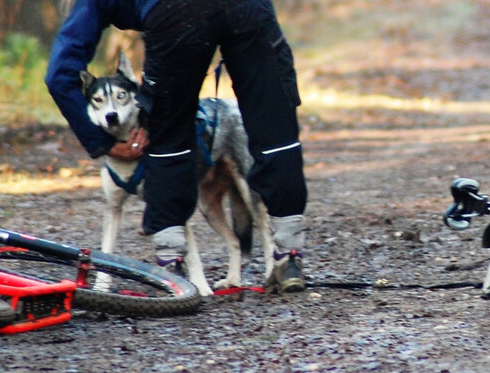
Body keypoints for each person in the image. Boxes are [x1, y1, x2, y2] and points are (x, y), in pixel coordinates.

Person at [44, 0, 308, 293]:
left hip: (173, 13)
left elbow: (59, 75)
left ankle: (172, 265)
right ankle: (289, 257)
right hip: (249, 8)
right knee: (275, 128)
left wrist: (100, 143)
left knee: (165, 136)